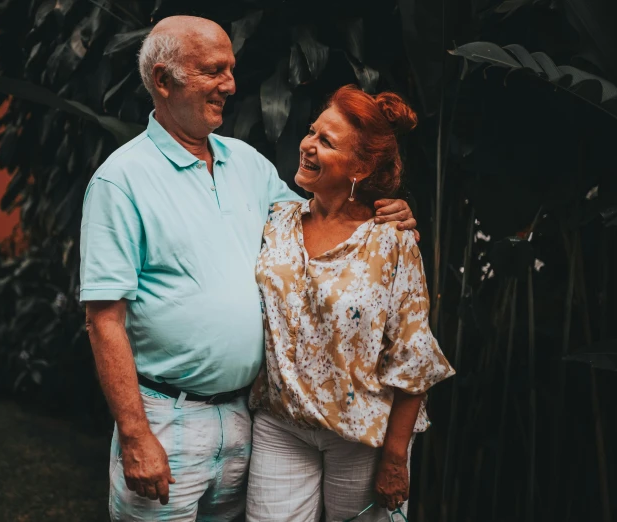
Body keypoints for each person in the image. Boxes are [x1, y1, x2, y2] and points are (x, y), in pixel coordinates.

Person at [80, 16, 418, 522]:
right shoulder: (121, 181)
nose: (231, 86)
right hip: (166, 420)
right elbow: (103, 319)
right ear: (164, 80)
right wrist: (135, 434)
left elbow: (321, 222)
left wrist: (383, 211)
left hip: (247, 422)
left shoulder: (248, 165)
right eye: (214, 71)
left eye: (231, 70)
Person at [245, 86, 455, 522]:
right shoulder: (278, 221)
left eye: (326, 142)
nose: (308, 145)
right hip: (281, 425)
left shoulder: (391, 240)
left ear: (360, 167)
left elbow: (412, 358)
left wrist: (396, 459)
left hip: (363, 438)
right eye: (311, 132)